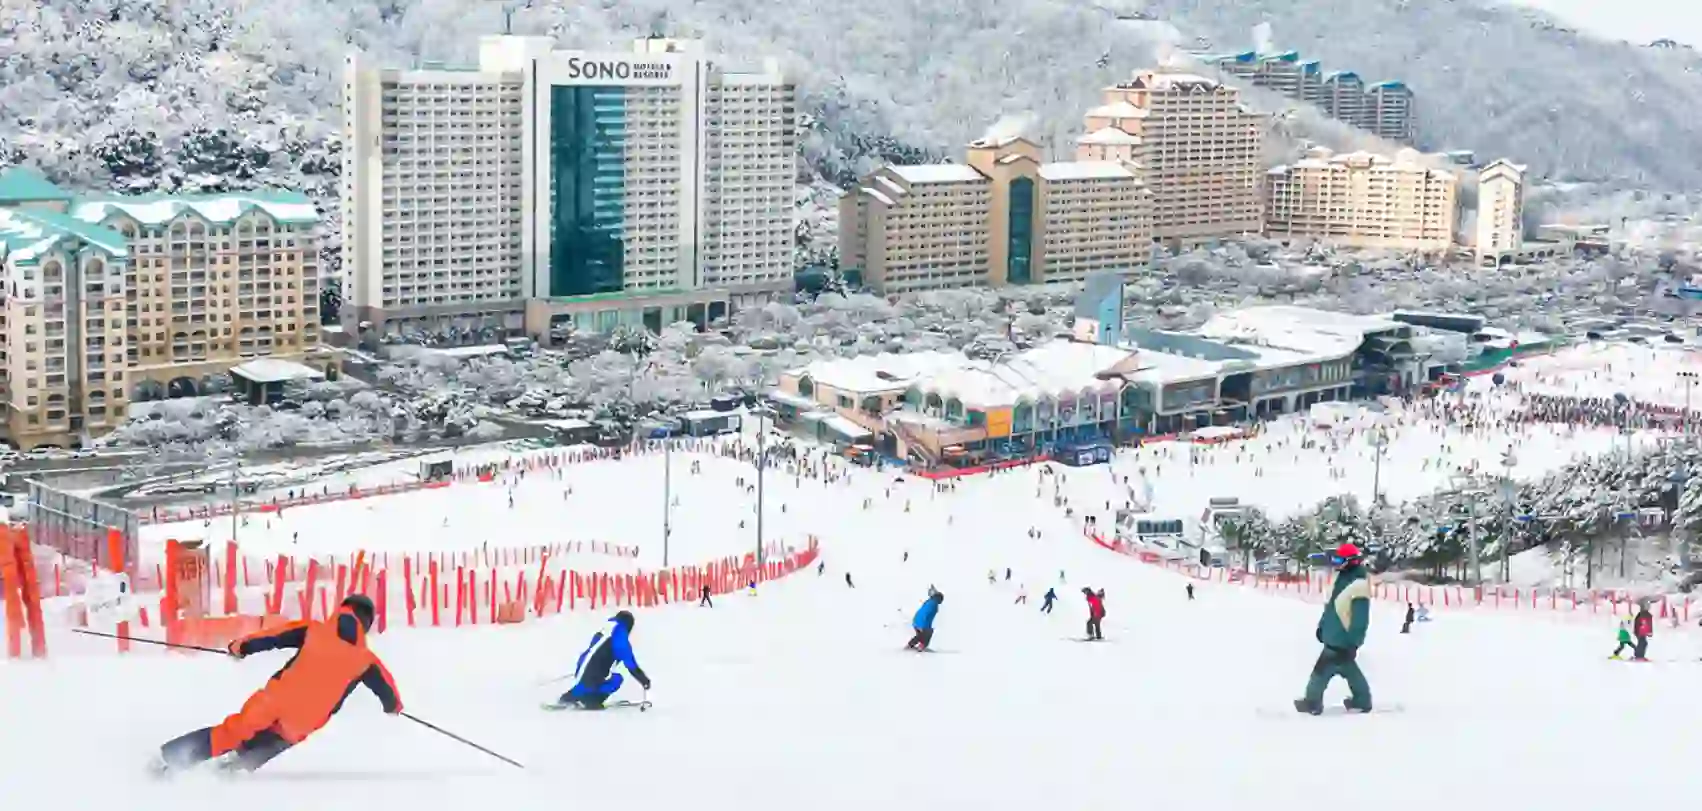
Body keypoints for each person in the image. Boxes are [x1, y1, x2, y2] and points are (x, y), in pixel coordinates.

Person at [151, 594, 401, 775]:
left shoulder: (313, 629)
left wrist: (240, 647)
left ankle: (170, 759)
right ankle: (229, 774)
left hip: (274, 701)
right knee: (271, 743)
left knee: (232, 731)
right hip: (303, 721)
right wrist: (393, 707)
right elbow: (389, 693)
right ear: (366, 623)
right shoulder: (367, 661)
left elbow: (271, 637)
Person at [1295, 543, 1372, 715]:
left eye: (1339, 559)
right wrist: (1322, 627)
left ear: (1351, 561)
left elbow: (1361, 618)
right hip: (1334, 635)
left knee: (1320, 671)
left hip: (1343, 638)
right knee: (1349, 670)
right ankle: (1362, 700)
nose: (1335, 563)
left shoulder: (1359, 584)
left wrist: (1354, 641)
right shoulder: (1340, 578)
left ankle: (1312, 702)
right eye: (1334, 559)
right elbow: (1331, 607)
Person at [558, 610, 651, 710]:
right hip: (594, 671)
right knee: (617, 679)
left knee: (584, 685)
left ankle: (570, 697)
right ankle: (592, 700)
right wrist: (643, 679)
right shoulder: (619, 633)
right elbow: (629, 660)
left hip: (583, 665)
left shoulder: (606, 629)